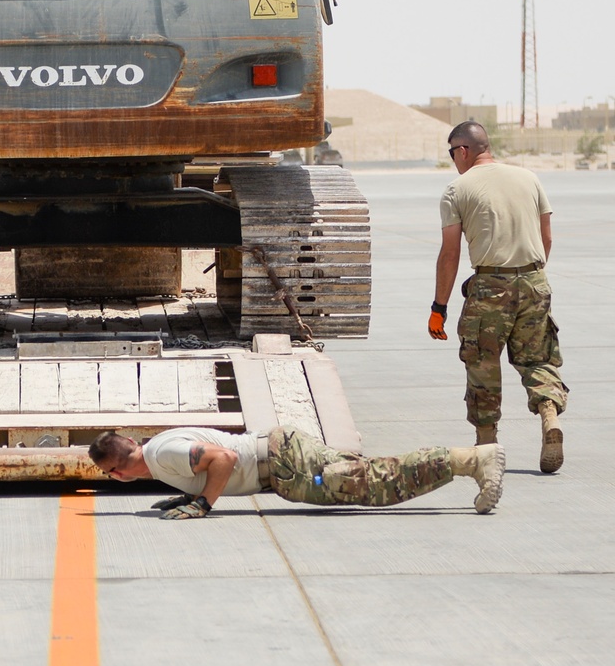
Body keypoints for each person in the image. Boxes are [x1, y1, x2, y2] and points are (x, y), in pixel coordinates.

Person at [428, 120, 568, 472]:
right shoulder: (529, 177)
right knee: (538, 360)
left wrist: (438, 307)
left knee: (482, 365)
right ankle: (550, 417)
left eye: (452, 153)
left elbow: (450, 254)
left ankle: (487, 448)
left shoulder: (457, 189)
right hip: (535, 281)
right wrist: (529, 277)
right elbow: (546, 236)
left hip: (490, 287)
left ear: (463, 151)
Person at [87, 425, 506, 517]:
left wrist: (201, 503)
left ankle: (472, 460)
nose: (116, 481)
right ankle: (469, 461)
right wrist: (189, 491)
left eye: (110, 474)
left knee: (378, 482)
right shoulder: (159, 454)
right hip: (284, 461)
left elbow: (224, 459)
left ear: (120, 468)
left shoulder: (161, 455)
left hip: (286, 464)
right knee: (374, 476)